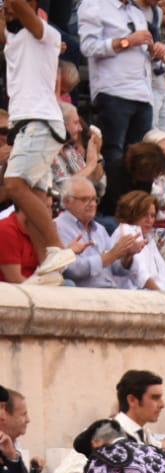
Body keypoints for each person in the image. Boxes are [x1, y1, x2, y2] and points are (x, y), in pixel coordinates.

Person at [3, 0, 78, 283]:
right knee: (32, 199)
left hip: (39, 122)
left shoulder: (47, 34)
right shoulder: (14, 38)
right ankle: (48, 269)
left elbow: (16, 5)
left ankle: (57, 248)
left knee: (14, 185)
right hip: (28, 124)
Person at [79, 0, 165, 203]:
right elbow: (88, 47)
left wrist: (156, 53)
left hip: (144, 95)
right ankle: (114, 212)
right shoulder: (93, 5)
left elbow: (145, 55)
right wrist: (127, 41)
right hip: (113, 92)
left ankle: (141, 209)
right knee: (115, 156)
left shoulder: (136, 12)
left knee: (144, 159)